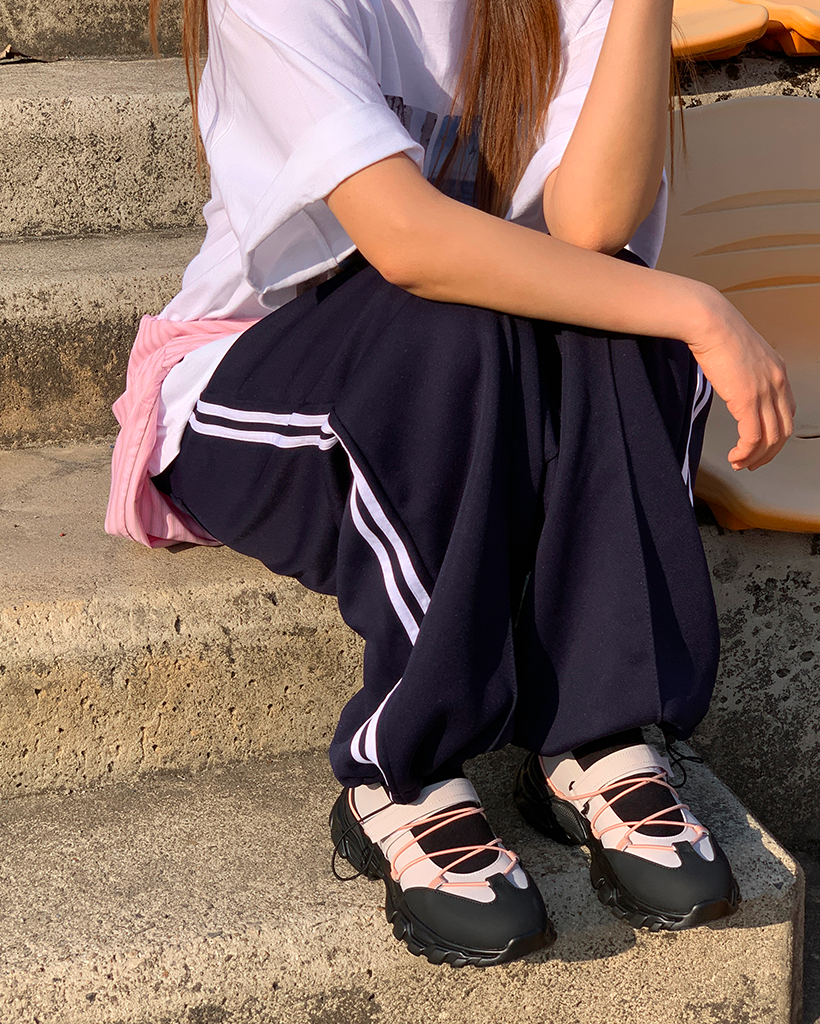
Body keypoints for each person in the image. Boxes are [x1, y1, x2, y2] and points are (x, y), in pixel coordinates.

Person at [108, 0, 795, 968]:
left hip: (482, 384)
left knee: (618, 323)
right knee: (472, 320)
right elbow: (410, 244)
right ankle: (403, 766)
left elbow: (589, 225)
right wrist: (702, 307)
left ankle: (596, 732)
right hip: (265, 394)